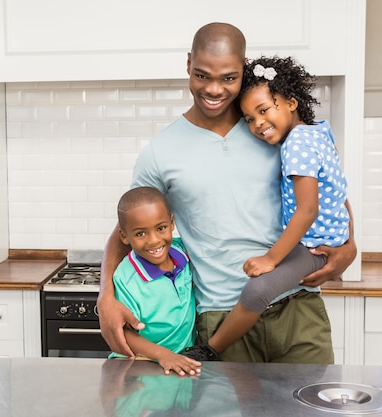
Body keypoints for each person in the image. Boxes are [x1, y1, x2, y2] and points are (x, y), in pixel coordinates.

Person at [97, 22, 357, 363]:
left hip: (298, 306)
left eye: (228, 78)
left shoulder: (270, 128)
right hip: (220, 319)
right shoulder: (160, 152)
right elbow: (127, 228)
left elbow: (327, 189)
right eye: (202, 75)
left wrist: (349, 245)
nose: (214, 89)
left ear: (243, 69)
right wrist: (105, 296)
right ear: (188, 64)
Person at [184, 55, 351, 360]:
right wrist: (347, 238)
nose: (258, 123)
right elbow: (338, 187)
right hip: (323, 239)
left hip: (312, 246)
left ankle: (209, 350)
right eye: (249, 118)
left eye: (263, 110)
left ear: (290, 102)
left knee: (256, 291)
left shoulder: (296, 145)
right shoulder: (316, 131)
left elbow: (307, 211)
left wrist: (270, 259)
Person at [109, 186, 201, 376]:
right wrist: (163, 355)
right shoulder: (126, 278)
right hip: (141, 365)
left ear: (172, 223)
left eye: (161, 228)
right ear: (124, 236)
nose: (154, 240)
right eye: (141, 233)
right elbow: (124, 332)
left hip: (181, 362)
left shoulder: (182, 252)